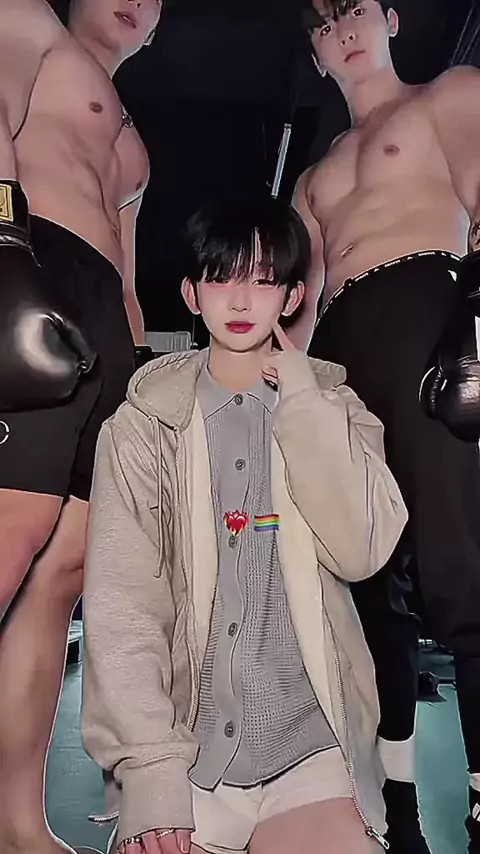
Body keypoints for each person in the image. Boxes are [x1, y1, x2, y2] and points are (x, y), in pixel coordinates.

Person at [81, 196, 408, 854]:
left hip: (309, 745)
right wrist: (149, 769)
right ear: (191, 294)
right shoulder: (143, 427)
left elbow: (362, 551)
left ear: (292, 297)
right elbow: (123, 606)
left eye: (262, 280)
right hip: (188, 754)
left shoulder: (337, 409)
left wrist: (306, 403)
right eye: (220, 278)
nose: (239, 300)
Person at [291, 1, 480, 851]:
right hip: (339, 355)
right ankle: (398, 816)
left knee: (461, 571)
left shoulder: (450, 94)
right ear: (315, 52)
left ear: (391, 19)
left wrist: (473, 324)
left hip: (428, 316)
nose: (343, 28)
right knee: (370, 594)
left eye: (355, 9)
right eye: (323, 22)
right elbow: (298, 305)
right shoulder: (312, 178)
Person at [0, 1, 162, 853]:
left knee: (65, 569)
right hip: (34, 255)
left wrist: (140, 380)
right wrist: (3, 250)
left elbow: (126, 272)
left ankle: (17, 825)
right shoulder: (30, 21)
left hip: (103, 311)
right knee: (10, 531)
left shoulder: (131, 136)